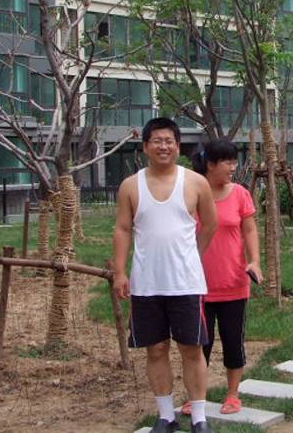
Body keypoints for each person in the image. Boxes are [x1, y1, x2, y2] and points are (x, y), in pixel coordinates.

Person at [112, 117, 219, 433]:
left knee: (191, 348)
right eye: (156, 140)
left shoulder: (195, 183)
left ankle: (199, 417)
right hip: (146, 284)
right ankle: (165, 416)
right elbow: (122, 228)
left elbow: (210, 224)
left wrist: (193, 256)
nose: (163, 146)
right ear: (145, 146)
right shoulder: (131, 185)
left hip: (185, 283)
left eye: (169, 140)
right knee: (155, 348)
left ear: (177, 145)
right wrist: (119, 272)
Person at [179, 139, 262, 416]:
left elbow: (249, 230)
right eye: (227, 162)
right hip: (196, 284)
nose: (233, 167)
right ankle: (195, 397)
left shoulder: (239, 193)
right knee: (198, 344)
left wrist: (255, 261)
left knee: (232, 342)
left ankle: (232, 394)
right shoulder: (191, 193)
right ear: (210, 165)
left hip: (233, 283)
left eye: (234, 161)